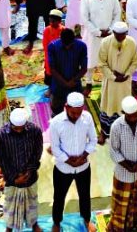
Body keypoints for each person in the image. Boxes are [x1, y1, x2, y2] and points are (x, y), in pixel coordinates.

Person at [49, 92, 98, 232]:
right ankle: (57, 223)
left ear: (83, 108)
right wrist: (69, 161)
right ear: (66, 107)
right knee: (59, 197)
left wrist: (83, 156)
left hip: (83, 167)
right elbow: (55, 147)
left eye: (79, 112)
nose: (76, 116)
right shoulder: (56, 122)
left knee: (85, 195)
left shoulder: (87, 118)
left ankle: (87, 219)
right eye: (73, 113)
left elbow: (93, 140)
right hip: (63, 168)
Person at [108, 96, 137, 232]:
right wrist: (128, 166)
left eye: (135, 115)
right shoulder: (116, 126)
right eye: (130, 116)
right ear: (123, 113)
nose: (133, 119)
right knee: (120, 201)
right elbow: (113, 150)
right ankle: (117, 225)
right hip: (123, 172)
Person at [0, 108, 43, 232]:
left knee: (31, 202)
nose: (19, 130)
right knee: (10, 204)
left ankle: (34, 224)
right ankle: (9, 227)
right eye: (16, 128)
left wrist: (29, 171)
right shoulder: (1, 135)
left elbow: (37, 152)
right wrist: (14, 177)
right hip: (12, 178)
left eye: (21, 127)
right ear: (10, 123)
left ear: (26, 124)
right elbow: (2, 159)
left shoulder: (35, 131)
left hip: (30, 176)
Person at [98, 22, 137, 141]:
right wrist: (113, 77)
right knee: (107, 106)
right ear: (114, 33)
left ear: (126, 33)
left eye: (122, 35)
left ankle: (122, 134)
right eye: (117, 35)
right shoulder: (105, 42)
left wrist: (126, 74)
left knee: (123, 107)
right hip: (110, 82)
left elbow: (135, 62)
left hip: (125, 83)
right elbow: (101, 63)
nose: (120, 38)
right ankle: (104, 132)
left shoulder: (131, 43)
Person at [80, 0, 120, 81]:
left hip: (109, 34)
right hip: (92, 36)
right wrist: (97, 32)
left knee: (109, 59)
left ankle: (108, 80)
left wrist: (111, 29)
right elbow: (85, 19)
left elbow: (117, 14)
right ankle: (89, 81)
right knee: (90, 60)